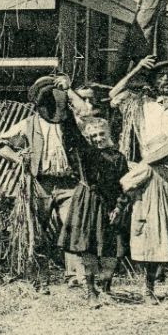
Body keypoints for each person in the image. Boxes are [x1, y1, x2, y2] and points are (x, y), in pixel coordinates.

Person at [110, 55, 168, 298]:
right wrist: (137, 67)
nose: (166, 80)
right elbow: (114, 95)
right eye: (161, 76)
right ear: (153, 82)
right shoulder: (142, 105)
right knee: (154, 227)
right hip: (153, 170)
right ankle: (149, 289)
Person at [0, 76, 81, 282]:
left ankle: (75, 275)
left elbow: (87, 113)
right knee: (36, 230)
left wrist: (70, 90)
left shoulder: (71, 122)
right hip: (41, 184)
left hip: (69, 183)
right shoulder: (28, 124)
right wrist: (19, 160)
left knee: (73, 227)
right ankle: (39, 277)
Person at [52, 75, 130, 306]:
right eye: (93, 136)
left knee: (110, 247)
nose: (97, 139)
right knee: (85, 245)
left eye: (101, 135)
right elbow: (72, 132)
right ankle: (90, 290)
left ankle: (106, 288)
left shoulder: (118, 158)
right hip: (87, 200)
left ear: (110, 136)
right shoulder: (86, 154)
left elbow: (124, 185)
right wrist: (66, 96)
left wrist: (119, 207)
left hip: (109, 204)